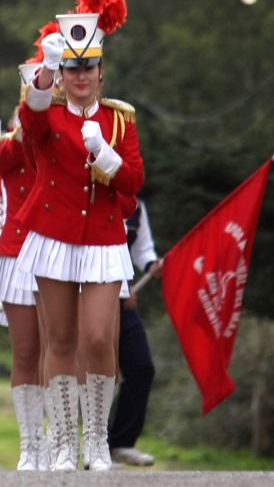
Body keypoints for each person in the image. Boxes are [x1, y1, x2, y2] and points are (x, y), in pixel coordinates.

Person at [13, 0, 142, 472]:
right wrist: (46, 71)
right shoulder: (49, 113)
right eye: (73, 68)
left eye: (88, 67)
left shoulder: (120, 120)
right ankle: (66, 442)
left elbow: (133, 181)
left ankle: (97, 441)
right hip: (54, 237)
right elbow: (30, 121)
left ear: (101, 72)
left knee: (97, 339)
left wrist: (106, 156)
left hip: (104, 240)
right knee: (61, 341)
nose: (81, 76)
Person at [0, 71, 48, 470]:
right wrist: (28, 120)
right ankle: (31, 446)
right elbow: (4, 159)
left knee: (59, 352)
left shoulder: (66, 136)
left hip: (59, 250)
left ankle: (59, 443)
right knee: (25, 352)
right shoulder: (12, 142)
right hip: (17, 253)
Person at [109, 198, 159, 467]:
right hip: (87, 296)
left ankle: (122, 443)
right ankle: (96, 448)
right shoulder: (92, 196)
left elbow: (142, 249)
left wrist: (151, 264)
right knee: (101, 372)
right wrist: (120, 287)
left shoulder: (137, 207)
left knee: (141, 368)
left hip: (122, 300)